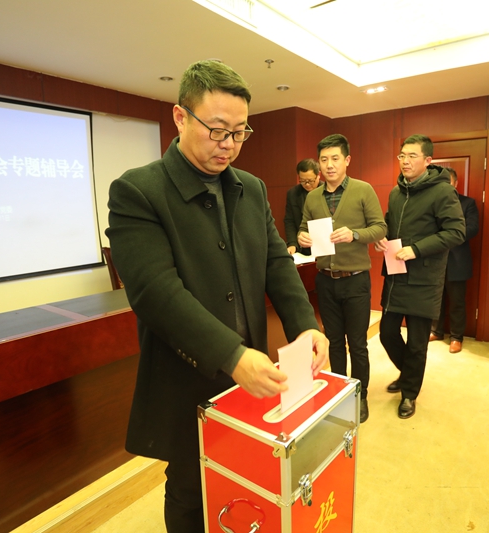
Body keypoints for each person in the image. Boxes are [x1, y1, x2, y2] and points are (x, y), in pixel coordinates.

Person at [106, 60, 328, 533]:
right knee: (191, 489)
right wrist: (230, 354)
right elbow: (155, 291)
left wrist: (305, 325)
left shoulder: (251, 188)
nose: (228, 144)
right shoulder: (138, 191)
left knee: (243, 478)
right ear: (180, 117)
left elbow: (275, 262)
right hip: (186, 376)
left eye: (240, 132)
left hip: (250, 373)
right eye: (217, 130)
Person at [375, 134, 465, 419]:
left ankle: (409, 393)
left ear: (428, 160)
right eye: (402, 155)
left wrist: (416, 249)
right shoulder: (396, 192)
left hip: (425, 278)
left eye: (412, 156)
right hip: (396, 274)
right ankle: (408, 374)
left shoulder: (442, 192)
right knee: (387, 333)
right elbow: (390, 224)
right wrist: (382, 238)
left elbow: (456, 232)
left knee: (416, 343)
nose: (405, 161)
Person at [297, 133, 386, 423]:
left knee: (357, 344)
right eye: (324, 160)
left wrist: (355, 234)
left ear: (347, 160)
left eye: (335, 158)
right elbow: (303, 228)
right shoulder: (313, 196)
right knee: (333, 342)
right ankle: (338, 394)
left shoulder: (363, 190)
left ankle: (360, 395)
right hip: (325, 279)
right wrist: (302, 237)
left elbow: (380, 228)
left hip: (356, 280)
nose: (329, 165)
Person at [430, 167, 479, 353]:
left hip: (457, 261)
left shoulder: (468, 203)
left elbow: (472, 228)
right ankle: (436, 331)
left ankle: (457, 337)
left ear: (455, 183)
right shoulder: (432, 203)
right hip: (434, 259)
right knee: (436, 299)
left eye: (447, 182)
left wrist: (448, 236)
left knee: (457, 302)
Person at [284, 158, 320, 255]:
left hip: (323, 244)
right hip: (302, 245)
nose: (307, 185)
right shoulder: (293, 193)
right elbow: (289, 220)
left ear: (318, 175)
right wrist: (292, 243)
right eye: (303, 181)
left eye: (310, 181)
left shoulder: (327, 191)